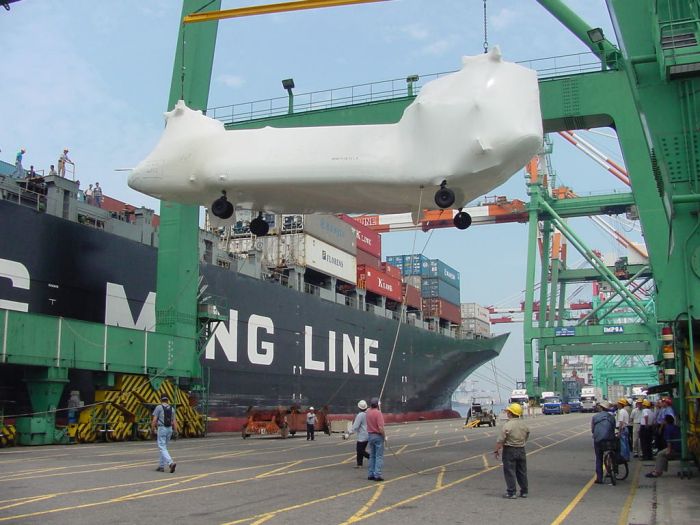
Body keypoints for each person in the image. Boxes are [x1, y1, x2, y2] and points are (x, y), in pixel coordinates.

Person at [494, 402, 529, 499]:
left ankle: (511, 492)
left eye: (508, 411)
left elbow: (501, 440)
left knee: (510, 471)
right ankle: (524, 491)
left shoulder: (507, 425)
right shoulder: (524, 425)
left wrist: (496, 450)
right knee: (522, 472)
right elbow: (527, 434)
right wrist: (522, 442)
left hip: (509, 450)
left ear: (510, 413)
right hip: (521, 449)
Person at [591, 400, 616, 484]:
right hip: (609, 439)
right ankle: (613, 470)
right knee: (613, 452)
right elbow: (613, 428)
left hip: (598, 440)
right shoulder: (611, 417)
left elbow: (592, 430)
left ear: (601, 408)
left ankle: (599, 478)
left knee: (599, 458)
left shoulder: (595, 417)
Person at [151, 394, 177, 473]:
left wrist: (152, 429)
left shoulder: (159, 407)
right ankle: (161, 466)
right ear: (167, 400)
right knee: (164, 448)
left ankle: (170, 463)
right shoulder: (172, 409)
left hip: (162, 428)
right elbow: (174, 421)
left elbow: (154, 420)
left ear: (161, 400)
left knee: (162, 447)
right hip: (169, 429)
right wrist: (175, 431)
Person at [345, 399, 371, 468]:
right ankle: (359, 464)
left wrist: (349, 433)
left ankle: (370, 458)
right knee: (360, 450)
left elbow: (355, 426)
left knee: (359, 450)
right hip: (368, 434)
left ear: (359, 407)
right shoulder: (369, 413)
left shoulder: (360, 415)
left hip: (362, 436)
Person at [366, 397, 386, 481]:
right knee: (379, 456)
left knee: (372, 456)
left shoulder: (368, 412)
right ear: (378, 405)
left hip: (370, 435)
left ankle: (370, 474)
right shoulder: (378, 413)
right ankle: (377, 474)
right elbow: (381, 427)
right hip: (378, 436)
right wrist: (384, 436)